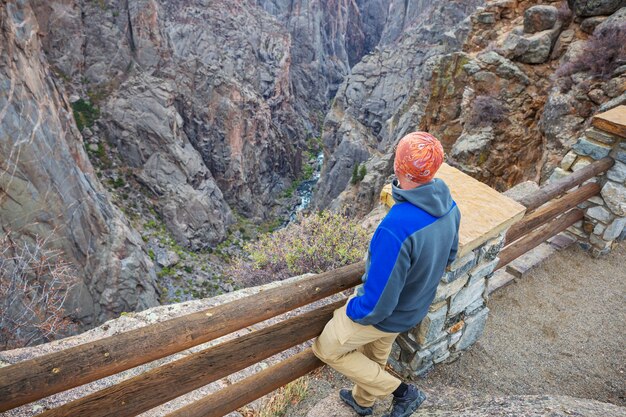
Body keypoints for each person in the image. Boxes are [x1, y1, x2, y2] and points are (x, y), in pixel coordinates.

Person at [312, 132, 461, 417]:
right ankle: (363, 401)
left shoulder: (396, 226)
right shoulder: (450, 208)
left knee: (327, 347)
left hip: (387, 313)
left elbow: (378, 301)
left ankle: (403, 393)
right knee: (375, 356)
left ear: (399, 166)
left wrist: (354, 310)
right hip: (413, 308)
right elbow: (449, 256)